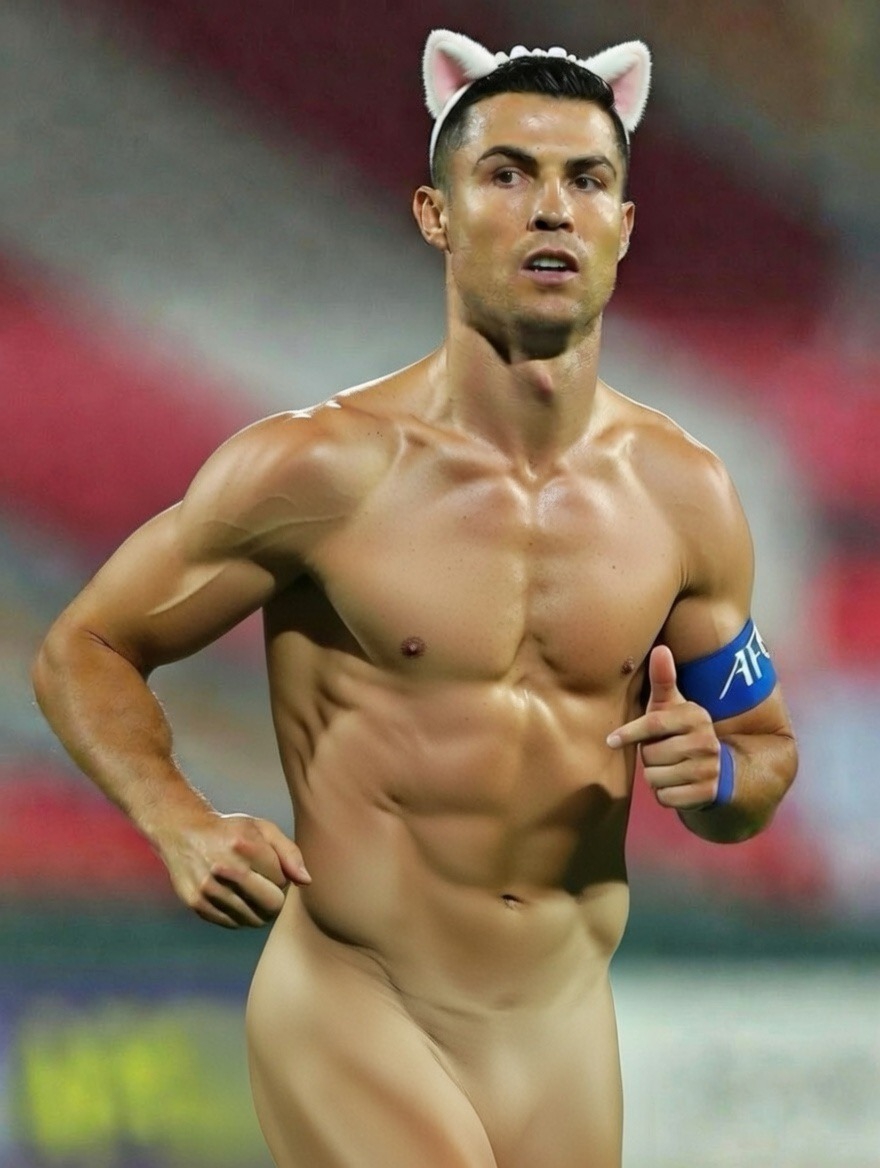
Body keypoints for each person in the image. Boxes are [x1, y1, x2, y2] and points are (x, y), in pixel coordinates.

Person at [32, 28, 797, 1168]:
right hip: (359, 1004)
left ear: (625, 225)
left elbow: (762, 754)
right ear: (435, 215)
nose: (552, 209)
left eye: (586, 180)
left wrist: (719, 778)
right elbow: (86, 644)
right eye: (508, 174)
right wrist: (177, 818)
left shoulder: (686, 495)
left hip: (560, 1031)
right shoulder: (318, 470)